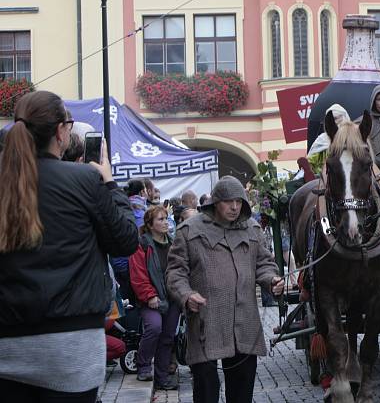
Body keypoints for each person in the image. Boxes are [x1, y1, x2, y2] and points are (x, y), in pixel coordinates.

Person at [0, 90, 138, 402]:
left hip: (7, 340)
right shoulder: (83, 180)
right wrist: (110, 183)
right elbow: (126, 240)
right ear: (62, 131)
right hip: (70, 347)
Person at [166, 176, 285, 403]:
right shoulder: (189, 230)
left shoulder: (252, 228)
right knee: (206, 391)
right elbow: (175, 273)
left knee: (242, 391)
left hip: (244, 322)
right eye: (228, 202)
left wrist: (271, 280)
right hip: (206, 322)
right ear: (215, 202)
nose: (234, 207)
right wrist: (186, 295)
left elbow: (264, 264)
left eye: (239, 202)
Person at [129, 206, 181, 389]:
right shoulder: (142, 244)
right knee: (154, 328)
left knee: (168, 337)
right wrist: (150, 296)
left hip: (172, 298)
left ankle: (162, 377)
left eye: (166, 218)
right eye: (160, 219)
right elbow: (138, 275)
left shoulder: (173, 243)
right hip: (150, 299)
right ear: (150, 225)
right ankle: (143, 365)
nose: (166, 222)